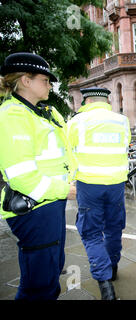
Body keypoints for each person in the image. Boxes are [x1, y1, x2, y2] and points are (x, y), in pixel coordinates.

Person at [0, 52, 76, 300]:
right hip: (34, 208)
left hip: (49, 203)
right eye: (45, 79)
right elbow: (22, 176)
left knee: (51, 271)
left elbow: (64, 152)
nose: (50, 85)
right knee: (39, 285)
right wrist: (64, 189)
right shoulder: (12, 115)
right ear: (25, 80)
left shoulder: (44, 112)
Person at [67, 87, 131, 300]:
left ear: (87, 101)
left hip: (89, 184)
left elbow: (68, 154)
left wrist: (69, 181)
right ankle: (112, 268)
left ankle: (104, 283)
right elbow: (124, 147)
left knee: (91, 233)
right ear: (106, 101)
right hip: (115, 184)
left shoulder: (77, 122)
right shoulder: (121, 120)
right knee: (113, 228)